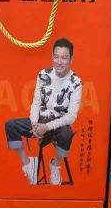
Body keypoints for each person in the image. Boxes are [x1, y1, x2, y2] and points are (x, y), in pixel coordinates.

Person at [5, 38, 82, 186]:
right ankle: (28, 164)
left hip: (58, 125)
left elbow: (71, 116)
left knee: (67, 134)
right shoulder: (43, 75)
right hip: (39, 120)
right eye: (56, 57)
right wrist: (34, 123)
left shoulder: (76, 82)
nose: (59, 62)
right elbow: (36, 102)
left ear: (71, 59)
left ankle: (55, 164)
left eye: (64, 58)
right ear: (52, 56)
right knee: (11, 125)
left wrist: (47, 127)